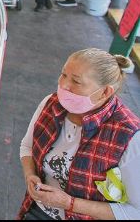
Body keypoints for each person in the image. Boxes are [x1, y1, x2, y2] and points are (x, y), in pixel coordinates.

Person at [19, 49, 140, 220]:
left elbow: (135, 212)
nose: (63, 85)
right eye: (63, 74)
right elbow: (27, 146)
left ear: (105, 92)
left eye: (76, 81)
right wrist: (30, 174)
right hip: (36, 211)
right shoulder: (50, 103)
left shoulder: (129, 136)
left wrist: (69, 203)